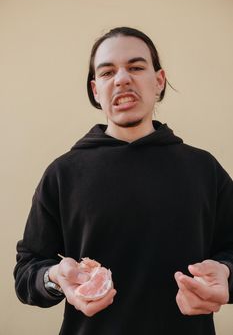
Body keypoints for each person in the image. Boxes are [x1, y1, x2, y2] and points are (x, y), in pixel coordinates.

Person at [14, 27, 233, 335]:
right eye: (107, 73)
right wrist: (54, 277)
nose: (121, 79)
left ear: (159, 81)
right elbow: (27, 271)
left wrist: (226, 272)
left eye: (136, 67)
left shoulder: (204, 169)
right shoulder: (63, 173)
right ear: (95, 90)